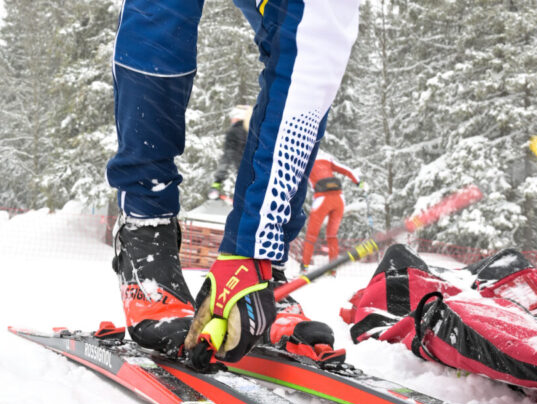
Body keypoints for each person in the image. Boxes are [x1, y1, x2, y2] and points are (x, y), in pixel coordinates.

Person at [107, 0, 360, 370]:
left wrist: (256, 249)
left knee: (298, 42)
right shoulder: (232, 134)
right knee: (161, 19)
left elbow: (312, 53)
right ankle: (145, 233)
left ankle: (264, 272)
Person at [301, 151, 361, 266]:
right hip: (339, 199)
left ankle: (304, 266)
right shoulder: (327, 159)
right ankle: (333, 269)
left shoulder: (305, 161)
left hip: (322, 199)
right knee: (332, 236)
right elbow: (348, 171)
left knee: (311, 235)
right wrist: (359, 183)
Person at [208, 104, 252, 200]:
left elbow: (227, 157)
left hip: (245, 176)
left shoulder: (234, 132)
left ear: (237, 117)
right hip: (260, 175)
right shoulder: (254, 131)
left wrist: (217, 182)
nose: (231, 121)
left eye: (232, 118)